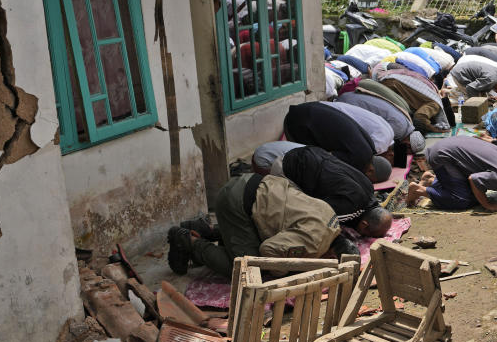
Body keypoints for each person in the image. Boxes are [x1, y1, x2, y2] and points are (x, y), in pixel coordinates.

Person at [167, 174, 352, 277]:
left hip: (258, 183)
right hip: (237, 202)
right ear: (331, 255)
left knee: (256, 243)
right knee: (248, 270)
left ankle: (206, 230)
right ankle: (188, 241)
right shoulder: (314, 244)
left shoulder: (333, 220)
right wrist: (282, 271)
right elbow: (268, 250)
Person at [405, 136, 497, 211]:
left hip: (451, 144)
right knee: (461, 200)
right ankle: (418, 190)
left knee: (474, 196)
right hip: (443, 156)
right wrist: (488, 205)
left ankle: (430, 179)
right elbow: (474, 179)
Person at [281, 146, 394, 237]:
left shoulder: (369, 187)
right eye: (366, 235)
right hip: (291, 165)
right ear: (364, 225)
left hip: (313, 151)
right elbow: (315, 216)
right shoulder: (350, 209)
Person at [283, 102, 392, 181]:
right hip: (298, 121)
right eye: (371, 180)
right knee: (307, 161)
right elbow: (325, 157)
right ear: (371, 171)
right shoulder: (359, 160)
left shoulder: (370, 147)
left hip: (308, 108)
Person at [336, 90, 426, 154]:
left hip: (350, 97)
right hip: (346, 104)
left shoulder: (406, 124)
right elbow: (381, 140)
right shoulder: (399, 130)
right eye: (408, 152)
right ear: (408, 145)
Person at [374, 66, 450, 133]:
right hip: (393, 84)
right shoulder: (435, 104)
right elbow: (420, 117)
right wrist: (433, 129)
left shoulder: (432, 96)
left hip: (390, 78)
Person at [320, 100, 394, 156]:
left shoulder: (390, 133)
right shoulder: (379, 145)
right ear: (391, 155)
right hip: (325, 114)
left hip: (328, 107)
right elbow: (360, 154)